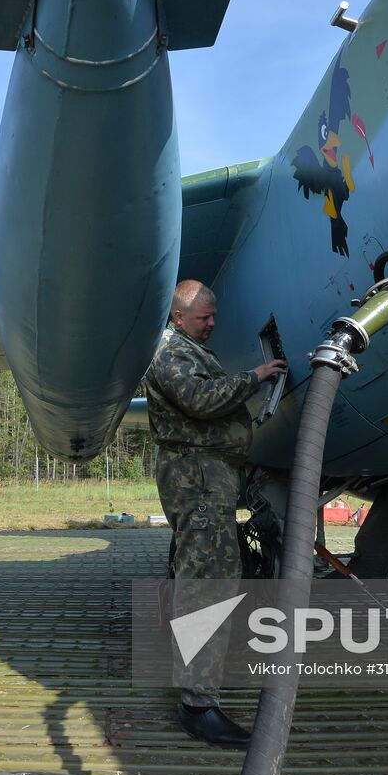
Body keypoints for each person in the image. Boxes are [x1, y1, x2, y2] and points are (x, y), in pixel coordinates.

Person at [144, 279, 286, 748]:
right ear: (179, 316)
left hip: (206, 477)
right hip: (198, 480)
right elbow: (201, 402)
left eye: (213, 316)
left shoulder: (183, 346)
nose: (211, 324)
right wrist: (255, 376)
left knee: (207, 577)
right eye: (204, 317)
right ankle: (198, 706)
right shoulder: (170, 351)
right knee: (208, 585)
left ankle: (199, 690)